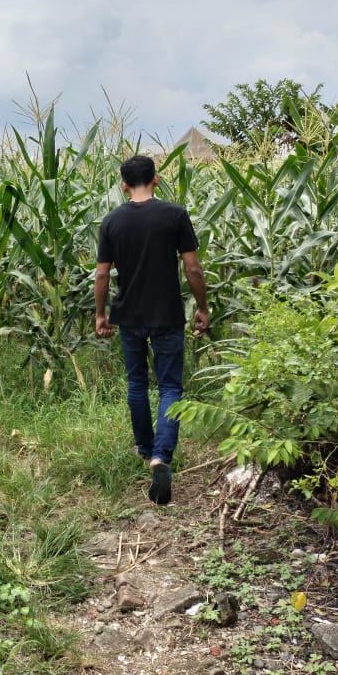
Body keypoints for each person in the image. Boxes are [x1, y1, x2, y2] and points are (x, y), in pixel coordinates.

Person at [94, 154, 209, 505]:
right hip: (167, 313)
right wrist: (202, 307)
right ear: (156, 179)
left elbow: (102, 274)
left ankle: (144, 448)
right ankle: (161, 457)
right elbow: (192, 268)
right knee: (170, 386)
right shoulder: (175, 215)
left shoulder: (112, 221)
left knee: (137, 383)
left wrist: (100, 314)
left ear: (124, 186)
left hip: (128, 315)